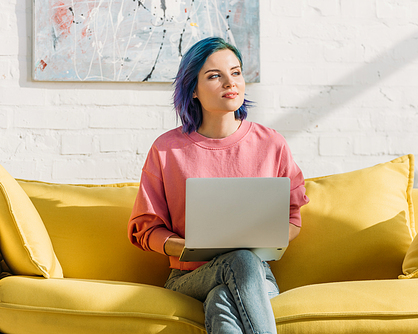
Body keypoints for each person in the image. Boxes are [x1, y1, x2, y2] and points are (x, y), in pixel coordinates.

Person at [128, 37, 309, 334]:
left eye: (236, 72)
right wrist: (190, 247)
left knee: (223, 299)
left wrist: (271, 238)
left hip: (257, 277)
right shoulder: (166, 150)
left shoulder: (271, 143)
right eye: (215, 76)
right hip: (189, 277)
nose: (230, 82)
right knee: (238, 260)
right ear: (193, 90)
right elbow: (147, 231)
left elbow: (292, 218)